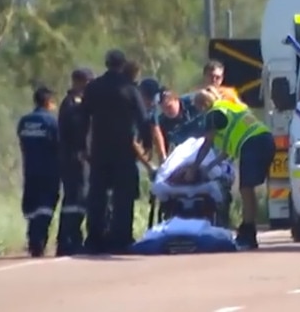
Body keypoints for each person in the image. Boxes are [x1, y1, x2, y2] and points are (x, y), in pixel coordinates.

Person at [78, 49, 151, 254]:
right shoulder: (129, 89)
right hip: (123, 150)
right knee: (123, 196)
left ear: (107, 63)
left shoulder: (93, 88)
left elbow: (83, 118)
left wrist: (82, 146)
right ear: (122, 64)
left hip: (99, 149)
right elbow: (143, 119)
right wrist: (147, 144)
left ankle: (94, 238)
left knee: (97, 195)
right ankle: (121, 238)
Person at [184, 89, 276, 249]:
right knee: (248, 189)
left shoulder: (213, 114)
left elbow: (206, 144)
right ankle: (248, 230)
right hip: (264, 139)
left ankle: (248, 231)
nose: (199, 112)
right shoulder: (228, 107)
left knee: (246, 189)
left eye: (198, 108)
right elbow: (227, 149)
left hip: (253, 142)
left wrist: (194, 167)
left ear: (203, 104)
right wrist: (211, 166)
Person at [17, 87, 61, 257]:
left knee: (32, 206)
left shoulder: (24, 121)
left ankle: (33, 238)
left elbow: (22, 143)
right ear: (49, 102)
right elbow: (59, 145)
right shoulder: (52, 122)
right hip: (49, 170)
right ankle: (38, 241)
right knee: (45, 207)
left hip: (30, 169)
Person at [56, 68, 94, 256]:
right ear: (78, 82)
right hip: (74, 158)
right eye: (87, 82)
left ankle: (71, 238)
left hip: (78, 157)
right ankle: (68, 240)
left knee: (78, 199)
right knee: (75, 199)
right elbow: (77, 131)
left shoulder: (79, 103)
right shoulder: (72, 104)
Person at [151, 90, 201, 163]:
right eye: (163, 109)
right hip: (185, 154)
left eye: (169, 107)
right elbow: (164, 149)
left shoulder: (194, 102)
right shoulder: (162, 123)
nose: (167, 111)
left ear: (177, 100)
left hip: (205, 146)